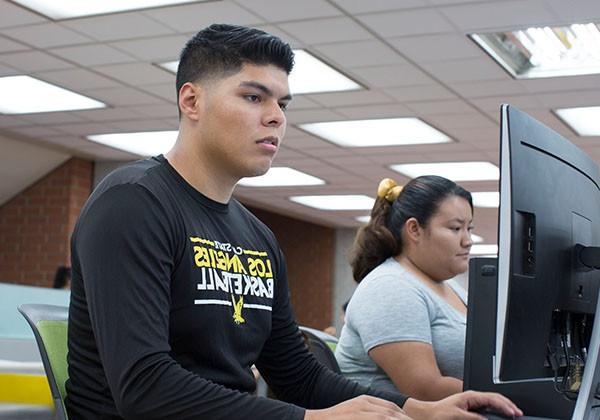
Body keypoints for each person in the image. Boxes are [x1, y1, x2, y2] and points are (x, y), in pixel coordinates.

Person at [66, 24, 521, 419]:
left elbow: (296, 373)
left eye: (283, 103)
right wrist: (308, 419)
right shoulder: (133, 203)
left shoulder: (257, 237)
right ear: (192, 101)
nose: (276, 117)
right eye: (253, 97)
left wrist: (414, 409)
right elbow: (145, 388)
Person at [336, 176, 474, 401]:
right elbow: (425, 390)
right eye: (456, 228)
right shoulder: (390, 286)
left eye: (469, 228)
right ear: (414, 229)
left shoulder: (448, 285)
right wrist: (514, 394)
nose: (467, 240)